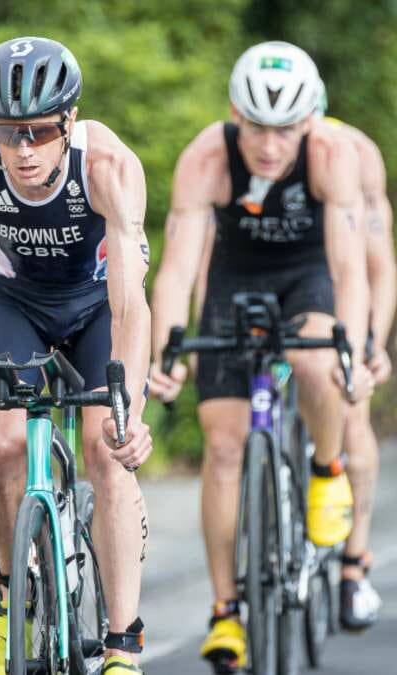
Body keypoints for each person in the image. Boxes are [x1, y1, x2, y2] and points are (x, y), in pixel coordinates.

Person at [0, 37, 153, 674]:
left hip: (97, 303)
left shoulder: (109, 167)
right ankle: (12, 592)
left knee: (107, 449)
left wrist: (131, 407)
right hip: (15, 300)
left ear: (68, 120)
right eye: (9, 132)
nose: (23, 150)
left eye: (40, 133)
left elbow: (131, 306)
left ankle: (123, 644)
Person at [149, 41, 374, 671]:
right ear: (233, 114)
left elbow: (350, 269)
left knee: (314, 362)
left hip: (309, 278)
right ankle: (226, 614)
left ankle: (327, 470)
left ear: (307, 123)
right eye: (255, 128)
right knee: (222, 445)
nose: (269, 147)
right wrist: (168, 345)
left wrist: (348, 348)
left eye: (284, 131)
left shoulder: (331, 155)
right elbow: (176, 267)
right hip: (233, 282)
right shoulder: (205, 158)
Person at [314, 105, 393, 631]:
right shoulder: (255, 149)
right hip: (279, 282)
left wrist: (374, 342)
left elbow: (379, 263)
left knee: (353, 408)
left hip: (345, 288)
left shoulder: (356, 153)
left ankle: (354, 563)